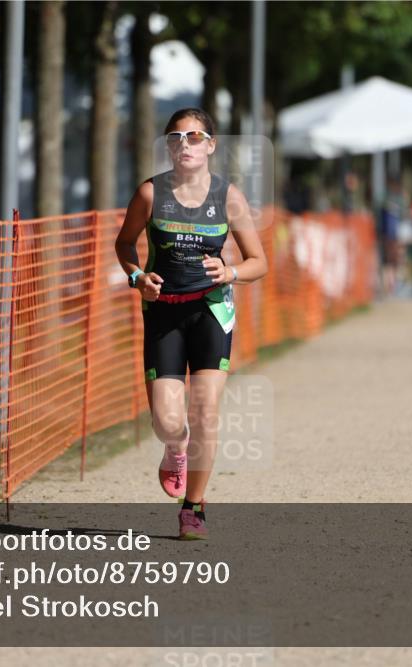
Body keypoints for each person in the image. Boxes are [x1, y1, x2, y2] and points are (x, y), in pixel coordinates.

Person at [115, 108, 267, 540]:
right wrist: (136, 277)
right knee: (167, 422)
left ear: (210, 145)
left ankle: (193, 508)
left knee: (204, 412)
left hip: (211, 311)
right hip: (164, 312)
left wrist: (231, 272)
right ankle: (174, 448)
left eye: (195, 136)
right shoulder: (149, 194)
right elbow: (124, 242)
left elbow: (260, 262)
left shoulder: (228, 197)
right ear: (167, 146)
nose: (186, 144)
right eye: (176, 137)